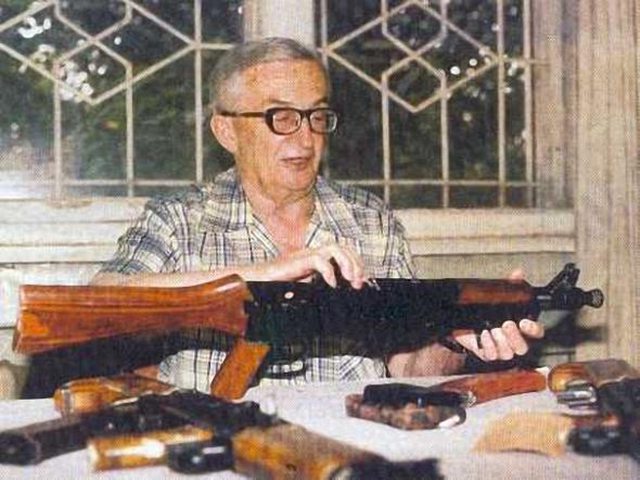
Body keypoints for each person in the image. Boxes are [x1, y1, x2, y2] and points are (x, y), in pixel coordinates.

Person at [92, 37, 544, 390]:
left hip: (351, 445)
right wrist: (262, 276)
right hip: (219, 448)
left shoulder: (370, 219)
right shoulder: (179, 220)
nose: (305, 138)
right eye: (281, 117)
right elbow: (98, 303)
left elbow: (407, 366)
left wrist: (458, 344)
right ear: (226, 131)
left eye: (316, 116)